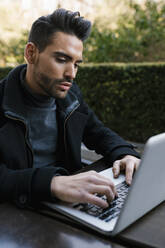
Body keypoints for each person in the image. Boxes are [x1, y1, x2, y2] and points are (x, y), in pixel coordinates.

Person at [0, 8, 140, 209]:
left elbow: (97, 132)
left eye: (76, 64)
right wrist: (52, 183)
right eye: (62, 59)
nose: (71, 74)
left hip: (72, 206)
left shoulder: (70, 95)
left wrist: (125, 153)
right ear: (31, 53)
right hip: (19, 214)